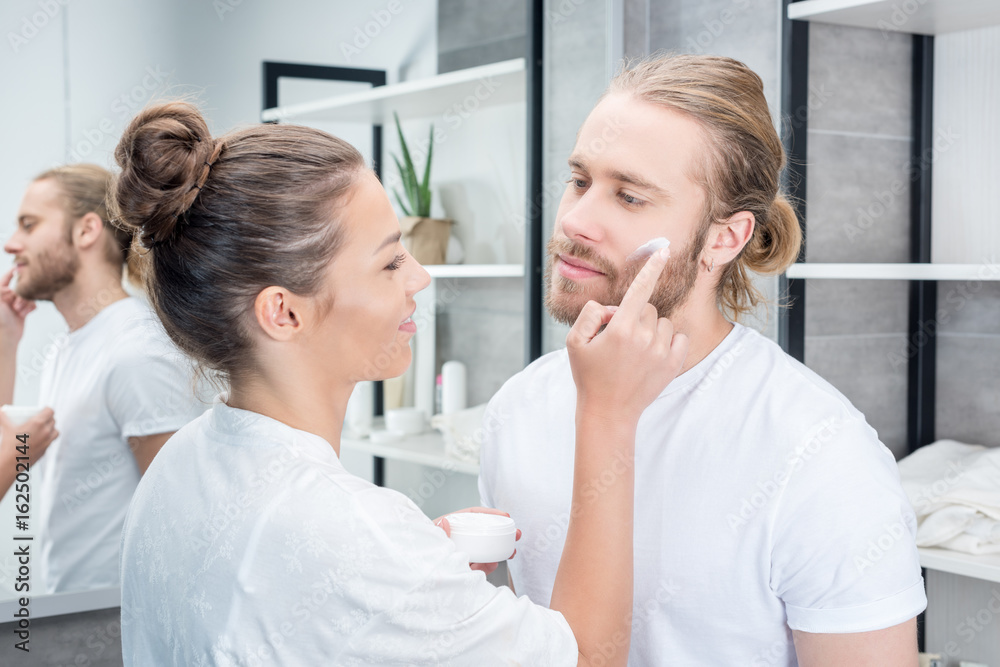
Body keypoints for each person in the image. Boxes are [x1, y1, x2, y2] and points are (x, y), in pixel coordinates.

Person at [112, 101, 688, 666]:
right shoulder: (350, 539)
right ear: (283, 313)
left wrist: (417, 579)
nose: (420, 276)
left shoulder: (178, 464)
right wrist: (609, 412)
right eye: (389, 263)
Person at [478, 54, 927, 666]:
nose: (575, 221)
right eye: (579, 181)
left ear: (726, 237)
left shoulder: (819, 453)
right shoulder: (518, 408)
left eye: (630, 196)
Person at [0, 164, 207, 594]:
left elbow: (181, 522)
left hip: (119, 629)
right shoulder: (67, 347)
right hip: (73, 618)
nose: (11, 244)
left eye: (29, 225)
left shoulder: (138, 351)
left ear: (87, 230)